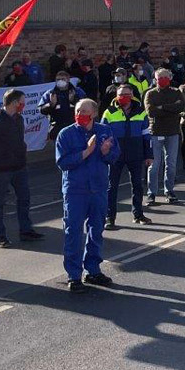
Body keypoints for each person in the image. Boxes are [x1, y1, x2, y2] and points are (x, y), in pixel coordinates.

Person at [55, 99, 120, 293]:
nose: (80, 113)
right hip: (76, 191)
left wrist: (105, 151)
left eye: (84, 111)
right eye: (77, 110)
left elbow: (114, 157)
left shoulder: (104, 131)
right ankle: (74, 275)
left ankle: (93, 270)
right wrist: (87, 152)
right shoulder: (66, 134)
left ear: (94, 113)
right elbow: (63, 162)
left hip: (98, 189)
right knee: (73, 232)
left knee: (96, 230)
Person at [0, 89, 44, 248]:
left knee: (24, 199)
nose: (23, 105)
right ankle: (0, 236)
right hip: (0, 169)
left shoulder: (18, 119)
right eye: (22, 102)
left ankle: (26, 230)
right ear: (13, 103)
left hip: (19, 167)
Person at [102, 85, 153, 230]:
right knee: (112, 187)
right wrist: (105, 153)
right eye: (120, 94)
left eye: (126, 94)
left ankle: (138, 215)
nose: (123, 96)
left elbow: (146, 135)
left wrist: (149, 155)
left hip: (136, 154)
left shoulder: (141, 112)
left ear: (132, 95)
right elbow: (103, 135)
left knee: (138, 185)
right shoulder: (109, 112)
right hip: (115, 155)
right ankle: (109, 218)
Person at [144, 68, 184, 204]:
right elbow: (151, 111)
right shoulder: (150, 94)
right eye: (159, 77)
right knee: (154, 165)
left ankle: (169, 190)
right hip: (156, 132)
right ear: (155, 79)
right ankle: (152, 193)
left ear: (170, 78)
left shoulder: (176, 92)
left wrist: (162, 107)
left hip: (172, 132)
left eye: (165, 77)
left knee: (171, 164)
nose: (162, 80)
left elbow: (180, 107)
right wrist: (170, 108)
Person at [39, 71, 84, 142]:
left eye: (63, 79)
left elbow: (86, 107)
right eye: (58, 79)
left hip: (75, 128)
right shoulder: (50, 93)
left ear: (68, 80)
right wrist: (51, 104)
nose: (60, 81)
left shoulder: (77, 91)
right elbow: (41, 110)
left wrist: (73, 100)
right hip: (57, 129)